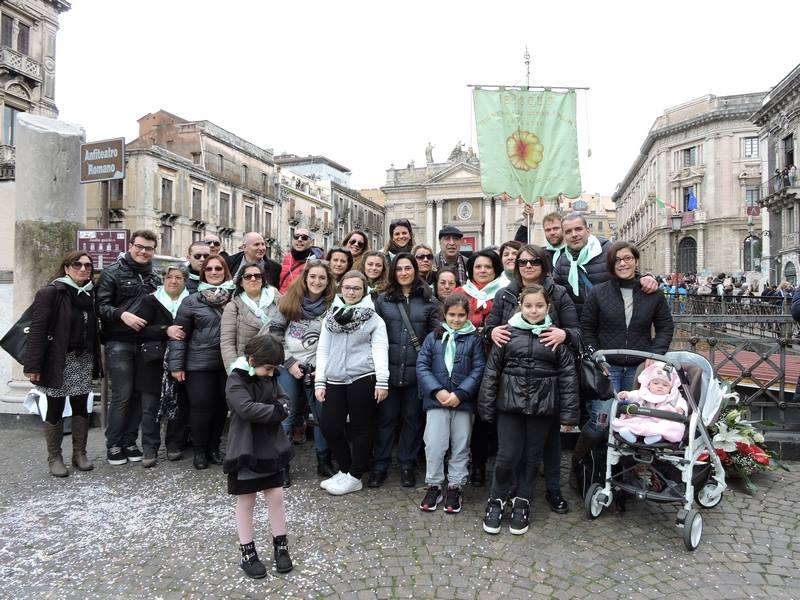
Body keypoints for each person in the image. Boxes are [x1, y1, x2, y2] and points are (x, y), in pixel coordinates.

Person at [482, 243, 579, 512]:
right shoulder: (504, 294)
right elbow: (490, 329)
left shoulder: (558, 293)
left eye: (534, 262)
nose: (527, 266)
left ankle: (552, 490)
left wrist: (565, 335)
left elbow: (577, 331)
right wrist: (491, 333)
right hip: (513, 380)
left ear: (543, 264)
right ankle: (511, 492)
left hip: (547, 381)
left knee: (547, 444)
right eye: (522, 262)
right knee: (512, 447)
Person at [573, 242, 674, 481]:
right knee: (602, 420)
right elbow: (587, 329)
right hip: (607, 366)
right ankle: (579, 463)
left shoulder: (651, 292)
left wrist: (654, 354)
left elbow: (665, 327)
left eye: (627, 258)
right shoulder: (599, 292)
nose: (623, 263)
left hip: (639, 368)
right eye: (617, 260)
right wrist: (596, 354)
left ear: (636, 260)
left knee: (633, 422)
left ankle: (621, 474)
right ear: (611, 265)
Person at [24, 251, 102, 477]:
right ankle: (54, 458)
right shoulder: (51, 292)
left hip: (83, 359)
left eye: (88, 266)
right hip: (58, 360)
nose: (83, 269)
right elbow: (37, 329)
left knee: (81, 405)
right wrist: (33, 365)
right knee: (55, 406)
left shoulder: (90, 294)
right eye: (77, 264)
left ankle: (79, 454)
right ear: (66, 268)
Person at [224, 334, 294, 577]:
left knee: (275, 496)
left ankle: (281, 547)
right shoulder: (236, 379)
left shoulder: (270, 377)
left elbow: (284, 400)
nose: (272, 373)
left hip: (270, 447)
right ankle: (247, 552)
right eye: (269, 368)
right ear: (252, 360)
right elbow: (245, 409)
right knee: (246, 501)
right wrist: (275, 411)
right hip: (245, 448)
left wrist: (279, 408)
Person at [315, 271, 389, 496]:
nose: (350, 292)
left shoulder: (374, 318)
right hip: (335, 378)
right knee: (329, 425)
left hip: (363, 377)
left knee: (361, 428)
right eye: (347, 287)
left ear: (364, 290)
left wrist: (382, 381)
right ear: (340, 289)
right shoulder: (331, 316)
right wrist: (320, 380)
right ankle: (346, 470)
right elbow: (323, 349)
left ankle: (356, 475)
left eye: (356, 288)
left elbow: (379, 349)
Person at [371, 253, 441, 488]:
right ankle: (380, 465)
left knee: (412, 419)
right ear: (393, 272)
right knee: (385, 420)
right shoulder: (382, 300)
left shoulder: (429, 300)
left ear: (415, 270)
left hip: (416, 373)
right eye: (399, 268)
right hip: (388, 371)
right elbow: (375, 337)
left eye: (408, 268)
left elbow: (435, 338)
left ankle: (407, 464)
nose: (403, 273)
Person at [96, 230, 161, 466]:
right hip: (118, 341)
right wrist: (122, 315)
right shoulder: (112, 272)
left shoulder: (155, 276)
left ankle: (130, 441)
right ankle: (113, 443)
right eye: (140, 247)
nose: (144, 252)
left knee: (137, 394)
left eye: (149, 248)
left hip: (144, 342)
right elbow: (100, 306)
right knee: (122, 394)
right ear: (130, 245)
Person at [416, 294, 485, 513]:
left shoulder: (474, 340)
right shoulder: (433, 338)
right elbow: (423, 366)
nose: (456, 319)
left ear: (468, 316)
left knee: (460, 444)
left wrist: (461, 393)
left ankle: (455, 485)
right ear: (444, 315)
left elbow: (478, 369)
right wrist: (437, 390)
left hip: (462, 401)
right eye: (452, 315)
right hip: (438, 400)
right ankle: (434, 484)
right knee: (434, 443)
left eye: (461, 315)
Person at [270, 260, 337, 482]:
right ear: (305, 278)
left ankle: (323, 460)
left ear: (328, 282)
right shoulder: (290, 301)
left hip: (319, 369)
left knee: (321, 416)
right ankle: (283, 464)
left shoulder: (332, 305)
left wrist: (323, 368)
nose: (317, 282)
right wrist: (289, 362)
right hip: (289, 365)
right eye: (313, 277)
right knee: (287, 415)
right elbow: (275, 334)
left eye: (322, 278)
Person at [168, 254, 235, 470]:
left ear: (225, 272)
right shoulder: (191, 300)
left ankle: (214, 448)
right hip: (198, 364)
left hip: (227, 363)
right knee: (201, 407)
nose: (214, 272)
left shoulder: (236, 298)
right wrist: (176, 365)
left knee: (220, 408)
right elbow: (179, 335)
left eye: (218, 269)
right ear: (203, 273)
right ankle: (199, 451)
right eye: (209, 269)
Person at [133, 265, 190, 467]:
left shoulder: (191, 301)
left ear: (185, 281)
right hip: (153, 362)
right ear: (163, 280)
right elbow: (140, 331)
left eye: (178, 278)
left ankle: (174, 444)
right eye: (169, 277)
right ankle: (150, 448)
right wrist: (165, 330)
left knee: (179, 405)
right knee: (150, 407)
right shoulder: (150, 300)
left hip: (183, 361)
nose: (173, 281)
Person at [221, 263, 282, 373]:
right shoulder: (233, 306)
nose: (253, 279)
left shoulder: (278, 301)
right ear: (241, 282)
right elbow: (227, 343)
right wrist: (235, 370)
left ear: (263, 280)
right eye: (248, 276)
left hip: (277, 365)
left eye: (257, 276)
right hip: (248, 367)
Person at [612, 363, 688, 445]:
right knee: (632, 422)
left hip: (662, 420)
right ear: (649, 385)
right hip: (643, 417)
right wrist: (626, 395)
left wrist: (680, 408)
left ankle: (656, 437)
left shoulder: (672, 396)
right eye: (656, 383)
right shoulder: (644, 393)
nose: (660, 386)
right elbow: (633, 395)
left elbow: (681, 402)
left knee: (674, 426)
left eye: (665, 385)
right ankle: (630, 435)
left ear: (670, 388)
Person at [453, 249, 505, 330]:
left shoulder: (505, 294)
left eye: (488, 267)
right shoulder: (458, 293)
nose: (482, 271)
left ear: (496, 270)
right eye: (478, 267)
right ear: (471, 270)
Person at [279, 228, 323, 293]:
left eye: (304, 237)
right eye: (296, 237)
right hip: (283, 300)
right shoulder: (287, 257)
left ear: (311, 242)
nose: (299, 239)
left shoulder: (317, 261)